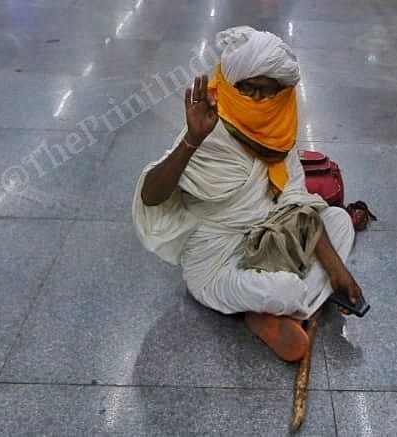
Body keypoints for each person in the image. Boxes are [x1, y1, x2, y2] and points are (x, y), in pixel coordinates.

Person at [135, 26, 361, 362]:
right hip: (218, 262)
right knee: (285, 290)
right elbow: (151, 196)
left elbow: (297, 204)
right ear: (230, 85)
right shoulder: (207, 129)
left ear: (281, 93)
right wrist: (192, 140)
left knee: (339, 220)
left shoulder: (278, 135)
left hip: (274, 242)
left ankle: (269, 313)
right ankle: (279, 307)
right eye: (247, 88)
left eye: (266, 91)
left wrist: (338, 269)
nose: (256, 99)